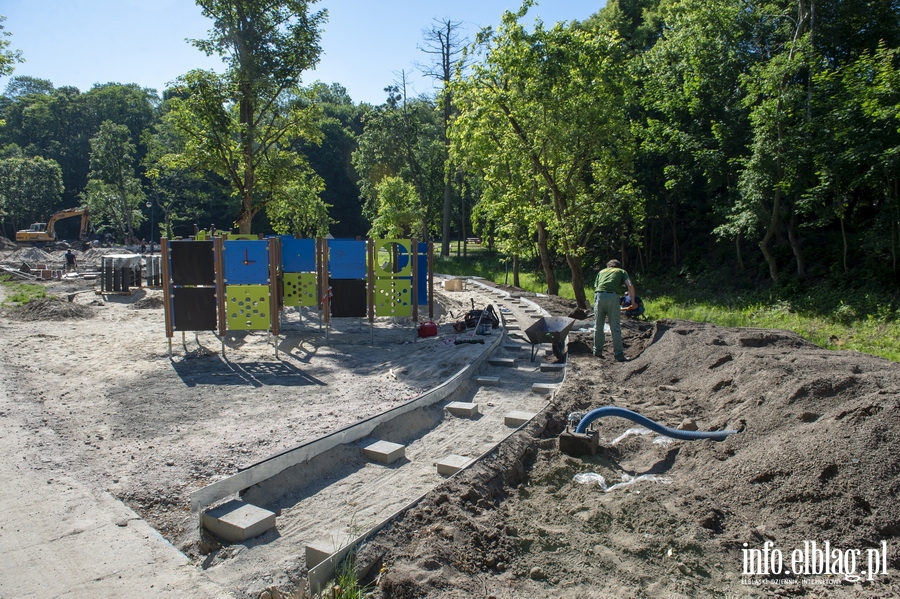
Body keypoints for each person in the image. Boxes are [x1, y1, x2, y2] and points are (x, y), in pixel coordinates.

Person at [593, 259, 637, 362]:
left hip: (599, 296)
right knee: (615, 327)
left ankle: (597, 352)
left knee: (598, 326)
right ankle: (619, 355)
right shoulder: (621, 271)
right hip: (613, 297)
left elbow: (596, 287)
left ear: (608, 266)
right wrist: (633, 302)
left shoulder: (601, 272)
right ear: (618, 266)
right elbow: (629, 285)